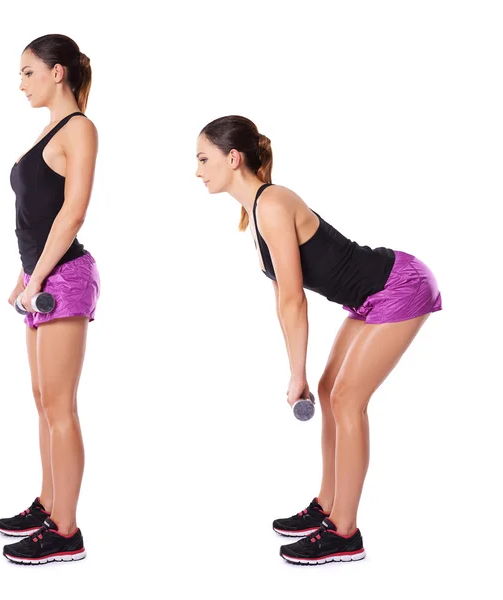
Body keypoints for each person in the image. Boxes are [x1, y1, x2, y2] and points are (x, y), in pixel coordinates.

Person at [195, 115, 442, 566]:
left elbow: (295, 300)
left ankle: (345, 532)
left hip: (399, 284)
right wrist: (301, 375)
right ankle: (327, 506)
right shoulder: (256, 213)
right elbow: (282, 301)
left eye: (203, 159)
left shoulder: (272, 204)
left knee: (347, 399)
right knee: (330, 393)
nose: (197, 171)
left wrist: (295, 374)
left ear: (233, 158)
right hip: (370, 296)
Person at [0, 34, 100, 565]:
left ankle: (66, 530)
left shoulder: (80, 128)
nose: (21, 84)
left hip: (64, 280)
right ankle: (47, 501)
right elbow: (37, 216)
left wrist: (37, 279)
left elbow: (73, 212)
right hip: (41, 280)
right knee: (43, 402)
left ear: (58, 73)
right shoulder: (49, 130)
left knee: (60, 407)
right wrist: (24, 276)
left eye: (28, 73)